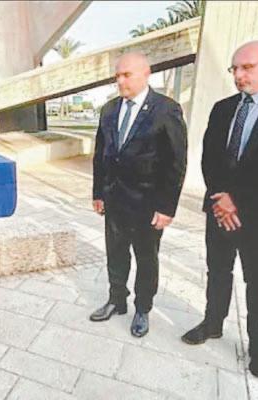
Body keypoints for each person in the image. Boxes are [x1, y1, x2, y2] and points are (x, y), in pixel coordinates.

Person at [181, 41, 258, 379]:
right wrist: (220, 197)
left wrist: (235, 199)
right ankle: (213, 323)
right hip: (219, 209)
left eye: (247, 67)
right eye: (235, 69)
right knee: (218, 269)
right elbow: (209, 157)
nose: (239, 75)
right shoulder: (223, 108)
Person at [90, 52, 188, 337]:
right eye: (117, 76)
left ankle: (143, 308)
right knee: (115, 253)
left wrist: (167, 207)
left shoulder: (165, 109)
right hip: (114, 200)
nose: (120, 81)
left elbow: (176, 162)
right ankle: (116, 299)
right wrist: (98, 193)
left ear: (146, 74)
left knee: (146, 258)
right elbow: (101, 154)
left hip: (147, 204)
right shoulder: (109, 109)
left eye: (127, 75)